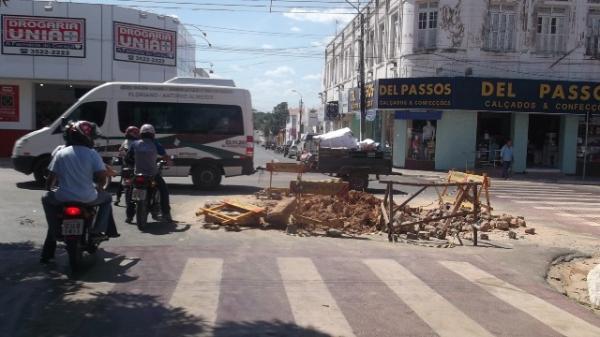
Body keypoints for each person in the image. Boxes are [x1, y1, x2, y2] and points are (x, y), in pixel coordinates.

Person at [41, 121, 119, 264]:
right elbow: (102, 176)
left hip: (62, 197)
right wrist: (100, 188)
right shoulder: (92, 153)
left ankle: (54, 232)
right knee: (107, 199)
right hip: (88, 197)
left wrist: (49, 189)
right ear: (88, 137)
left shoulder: (60, 152)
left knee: (46, 199)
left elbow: (51, 178)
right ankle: (98, 230)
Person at [125, 124, 172, 223]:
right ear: (152, 134)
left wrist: (133, 163)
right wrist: (168, 162)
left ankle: (129, 216)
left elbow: (127, 158)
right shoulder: (156, 144)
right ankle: (166, 214)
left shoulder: (134, 144)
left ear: (141, 134)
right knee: (164, 191)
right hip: (152, 175)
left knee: (130, 192)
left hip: (137, 174)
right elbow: (165, 156)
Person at [114, 126, 140, 205]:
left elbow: (120, 151)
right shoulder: (135, 143)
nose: (137, 134)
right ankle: (135, 199)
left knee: (122, 181)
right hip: (132, 165)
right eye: (135, 133)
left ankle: (117, 198)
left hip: (126, 165)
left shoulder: (126, 141)